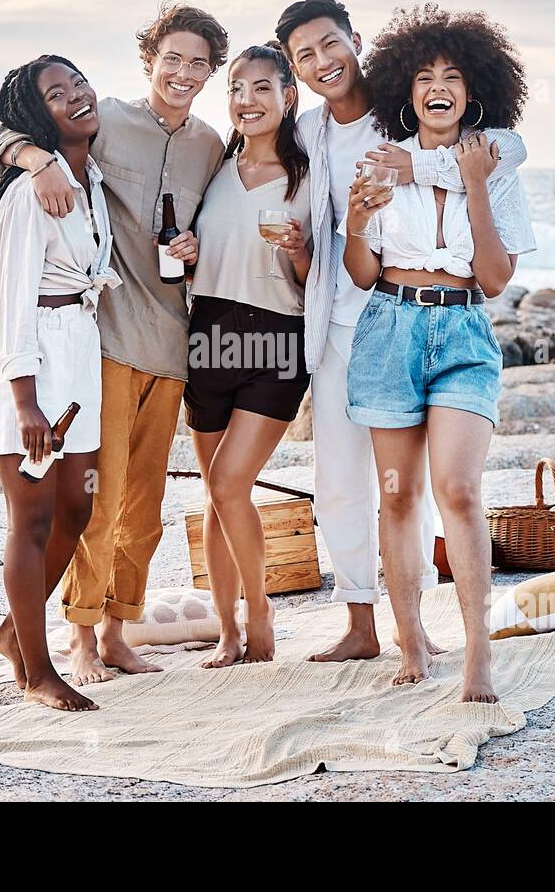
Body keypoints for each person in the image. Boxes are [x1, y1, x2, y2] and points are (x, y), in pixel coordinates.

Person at [274, 0, 527, 664]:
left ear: (356, 42)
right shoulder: (308, 131)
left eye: (331, 44)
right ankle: (373, 624)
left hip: (445, 324)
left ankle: (446, 638)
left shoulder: (415, 122)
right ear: (297, 70)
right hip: (356, 320)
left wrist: (422, 170)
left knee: (440, 489)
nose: (323, 61)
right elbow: (352, 252)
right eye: (305, 55)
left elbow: (503, 152)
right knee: (356, 483)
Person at [0, 3, 226, 685]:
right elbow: (2, 130)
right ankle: (80, 639)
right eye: (171, 58)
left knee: (144, 511)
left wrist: (198, 245)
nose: (182, 72)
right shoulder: (104, 120)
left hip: (171, 346)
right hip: (107, 343)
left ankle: (119, 630)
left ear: (212, 72)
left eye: (198, 62)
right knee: (99, 498)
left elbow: (226, 221)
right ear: (149, 57)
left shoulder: (212, 144)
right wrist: (35, 159)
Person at [342, 4, 537, 699]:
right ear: (407, 90)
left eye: (452, 74)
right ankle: (410, 644)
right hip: (390, 326)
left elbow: (493, 277)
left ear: (474, 87)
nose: (438, 85)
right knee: (398, 499)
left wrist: (475, 184)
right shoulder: (379, 164)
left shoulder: (498, 163)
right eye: (424, 75)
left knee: (459, 490)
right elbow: (361, 272)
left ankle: (478, 652)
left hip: (462, 329)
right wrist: (359, 220)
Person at [0, 55, 121, 712]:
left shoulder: (88, 175)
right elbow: (15, 302)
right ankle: (36, 672)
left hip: (77, 353)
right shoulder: (29, 193)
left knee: (78, 509)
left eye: (77, 83)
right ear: (37, 117)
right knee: (31, 519)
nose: (75, 97)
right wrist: (26, 402)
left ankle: (13, 632)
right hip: (30, 361)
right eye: (55, 95)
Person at [184, 44, 313, 667]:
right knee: (216, 494)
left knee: (231, 481)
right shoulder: (212, 167)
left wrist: (297, 248)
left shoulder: (309, 177)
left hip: (276, 340)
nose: (247, 101)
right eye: (237, 88)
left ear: (289, 96)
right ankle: (227, 628)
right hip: (207, 335)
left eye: (262, 88)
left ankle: (260, 608)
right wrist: (180, 250)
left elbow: (322, 276)